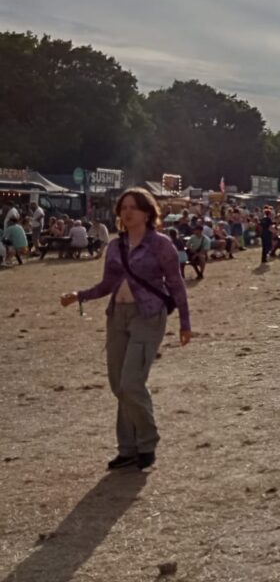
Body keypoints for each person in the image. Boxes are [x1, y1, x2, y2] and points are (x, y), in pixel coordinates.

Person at [59, 188, 191, 470]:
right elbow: (107, 285)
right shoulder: (115, 246)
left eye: (133, 207)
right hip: (117, 316)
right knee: (119, 386)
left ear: (147, 212)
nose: (127, 212)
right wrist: (79, 295)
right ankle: (128, 448)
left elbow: (177, 284)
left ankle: (147, 441)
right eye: (123, 208)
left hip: (148, 315)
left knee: (132, 382)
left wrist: (185, 323)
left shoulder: (161, 245)